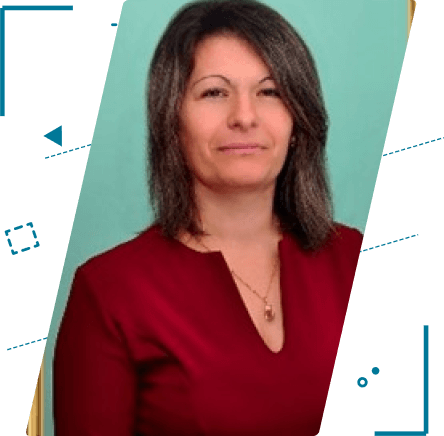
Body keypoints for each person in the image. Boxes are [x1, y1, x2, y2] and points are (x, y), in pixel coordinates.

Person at [53, 1, 363, 435]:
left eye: (270, 91)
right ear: (171, 120)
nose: (244, 117)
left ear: (298, 120)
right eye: (214, 92)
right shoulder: (107, 292)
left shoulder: (352, 257)